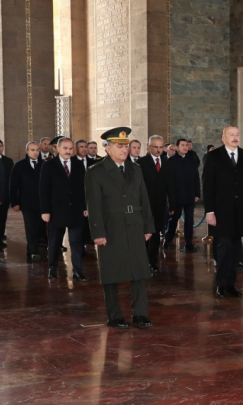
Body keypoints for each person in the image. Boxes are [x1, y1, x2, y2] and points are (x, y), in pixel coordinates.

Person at [85, 127, 155, 329]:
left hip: (134, 226)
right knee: (111, 273)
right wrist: (98, 233)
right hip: (111, 228)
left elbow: (144, 199)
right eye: (119, 146)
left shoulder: (136, 169)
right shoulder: (96, 172)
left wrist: (148, 225)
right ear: (107, 149)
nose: (124, 149)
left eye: (126, 145)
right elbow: (94, 205)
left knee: (139, 272)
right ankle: (114, 316)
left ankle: (140, 314)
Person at [204, 126, 243, 297]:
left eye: (237, 134)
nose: (235, 138)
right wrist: (209, 211)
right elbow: (208, 185)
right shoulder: (214, 157)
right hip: (221, 211)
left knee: (235, 248)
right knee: (224, 247)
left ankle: (231, 285)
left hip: (241, 211)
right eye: (231, 135)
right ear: (223, 138)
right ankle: (221, 284)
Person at [39, 137, 88, 281]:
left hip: (76, 211)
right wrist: (45, 211)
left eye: (71, 148)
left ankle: (77, 271)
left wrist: (85, 206)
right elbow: (44, 191)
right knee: (54, 242)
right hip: (56, 212)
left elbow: (83, 189)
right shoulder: (48, 166)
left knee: (76, 242)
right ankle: (52, 268)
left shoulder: (79, 165)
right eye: (65, 148)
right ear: (57, 149)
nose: (68, 151)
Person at [137, 135, 176, 273]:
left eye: (161, 147)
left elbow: (171, 185)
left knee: (156, 234)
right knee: (144, 235)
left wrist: (172, 204)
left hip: (160, 206)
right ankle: (141, 262)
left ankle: (152, 263)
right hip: (144, 206)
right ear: (148, 147)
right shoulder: (141, 163)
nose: (159, 150)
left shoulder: (167, 163)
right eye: (156, 147)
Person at [164, 138, 200, 251]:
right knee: (174, 219)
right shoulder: (171, 161)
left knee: (189, 221)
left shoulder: (191, 160)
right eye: (182, 145)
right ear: (177, 147)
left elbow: (196, 179)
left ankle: (188, 242)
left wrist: (197, 193)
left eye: (186, 145)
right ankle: (168, 239)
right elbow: (168, 181)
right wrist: (168, 197)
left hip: (189, 196)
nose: (185, 147)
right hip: (176, 197)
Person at [10, 141, 43, 261]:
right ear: (26, 151)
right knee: (30, 227)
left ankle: (33, 249)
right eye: (32, 150)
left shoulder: (44, 165)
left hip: (42, 203)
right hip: (27, 203)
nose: (35, 152)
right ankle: (33, 251)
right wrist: (15, 202)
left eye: (37, 150)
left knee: (40, 227)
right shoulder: (19, 166)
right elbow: (13, 186)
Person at [0, 140, 13, 248]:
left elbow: (11, 180)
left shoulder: (8, 161)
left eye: (0, 146)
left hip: (5, 197)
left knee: (2, 219)